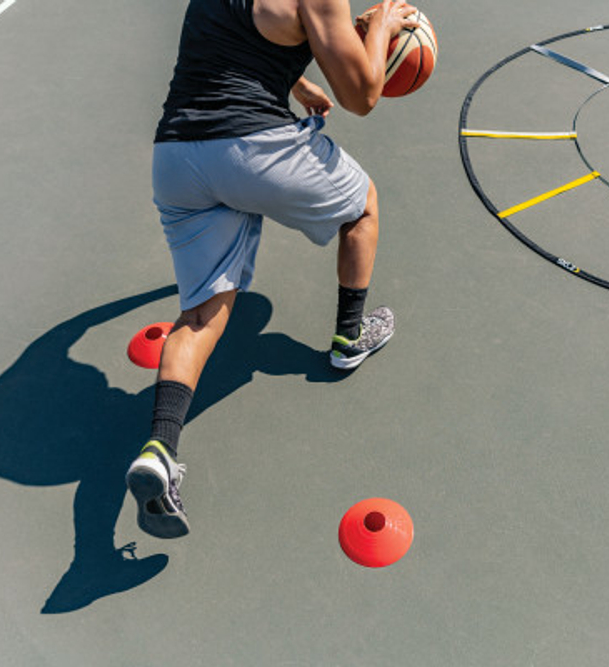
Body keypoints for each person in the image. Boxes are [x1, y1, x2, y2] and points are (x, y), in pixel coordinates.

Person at [125, 0, 418, 539]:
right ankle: (347, 340)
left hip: (175, 157)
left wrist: (297, 81)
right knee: (363, 206)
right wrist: (380, 31)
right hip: (250, 151)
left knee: (198, 316)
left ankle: (159, 450)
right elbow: (364, 94)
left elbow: (237, 45)